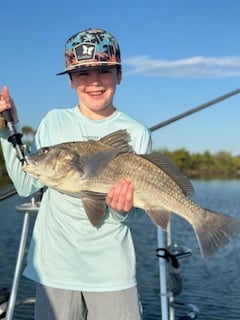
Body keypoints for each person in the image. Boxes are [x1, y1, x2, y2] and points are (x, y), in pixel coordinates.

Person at [0, 28, 152, 320]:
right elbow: (24, 184)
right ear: (70, 81)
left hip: (112, 275)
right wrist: (7, 128)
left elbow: (134, 215)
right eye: (82, 73)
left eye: (104, 71)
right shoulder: (53, 121)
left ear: (119, 75)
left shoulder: (136, 133)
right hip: (54, 272)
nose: (94, 81)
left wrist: (122, 211)